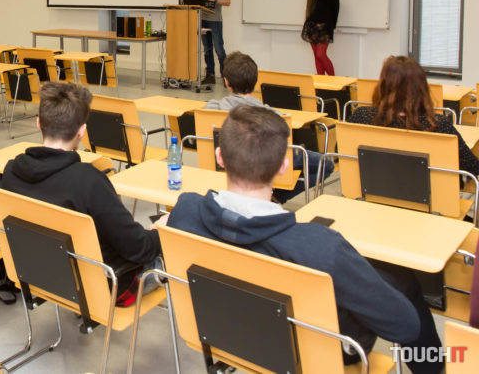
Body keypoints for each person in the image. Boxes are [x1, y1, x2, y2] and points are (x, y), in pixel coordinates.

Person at [168, 105, 441, 372]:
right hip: (315, 355)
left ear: (219, 156)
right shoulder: (323, 247)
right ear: (283, 167)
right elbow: (406, 327)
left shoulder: (185, 211)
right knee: (402, 280)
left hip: (225, 332)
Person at [2, 82, 160, 306]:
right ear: (82, 131)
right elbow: (139, 249)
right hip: (101, 287)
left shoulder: (11, 171)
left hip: (43, 276)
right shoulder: (88, 181)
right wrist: (160, 232)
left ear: (38, 123)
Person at [204, 51, 333, 203]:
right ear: (256, 81)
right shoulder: (272, 115)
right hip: (264, 161)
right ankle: (275, 196)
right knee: (326, 164)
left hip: (230, 159)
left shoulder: (212, 109)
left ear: (226, 82)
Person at [350, 55, 479, 177]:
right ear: (421, 87)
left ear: (382, 85)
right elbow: (473, 167)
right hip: (429, 193)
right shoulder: (438, 124)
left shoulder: (362, 116)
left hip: (372, 189)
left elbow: (342, 152)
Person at [180, 0, 230, 84]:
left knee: (219, 49)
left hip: (215, 21)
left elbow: (227, 2)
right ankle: (210, 75)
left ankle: (226, 78)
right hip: (202, 19)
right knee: (207, 49)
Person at [301, 0, 339, 76]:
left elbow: (336, 7)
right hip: (311, 26)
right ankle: (320, 81)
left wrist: (332, 26)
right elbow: (310, 7)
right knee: (316, 56)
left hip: (324, 27)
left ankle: (333, 80)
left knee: (321, 54)